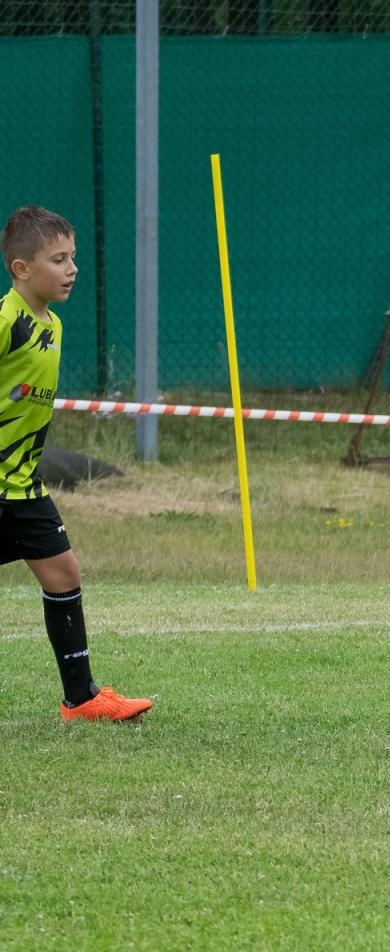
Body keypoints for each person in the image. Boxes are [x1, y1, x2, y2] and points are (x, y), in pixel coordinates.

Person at [1, 205, 152, 722]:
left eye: (73, 257)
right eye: (58, 260)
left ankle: (82, 699)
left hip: (23, 485)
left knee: (63, 572)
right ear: (21, 268)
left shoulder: (53, 325)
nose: (72, 269)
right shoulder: (5, 321)